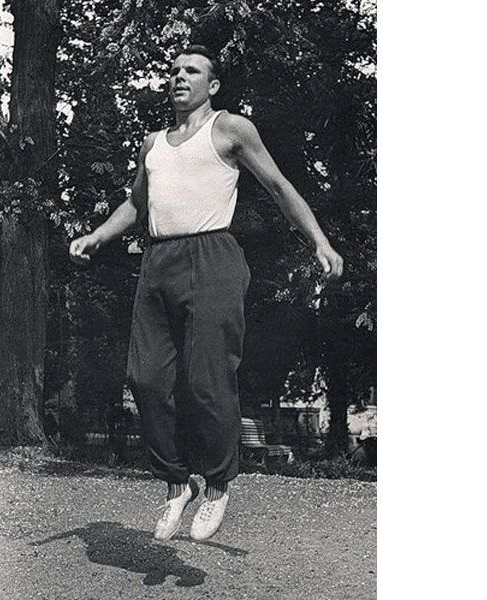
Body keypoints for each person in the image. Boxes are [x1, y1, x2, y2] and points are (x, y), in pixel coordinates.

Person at [69, 45, 343, 542]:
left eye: (191, 71)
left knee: (206, 378)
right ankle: (178, 483)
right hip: (158, 261)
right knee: (145, 377)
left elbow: (279, 186)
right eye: (173, 70)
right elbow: (136, 204)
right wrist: (98, 236)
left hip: (212, 256)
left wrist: (319, 241)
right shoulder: (153, 143)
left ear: (212, 85)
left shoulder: (230, 129)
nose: (179, 77)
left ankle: (217, 484)